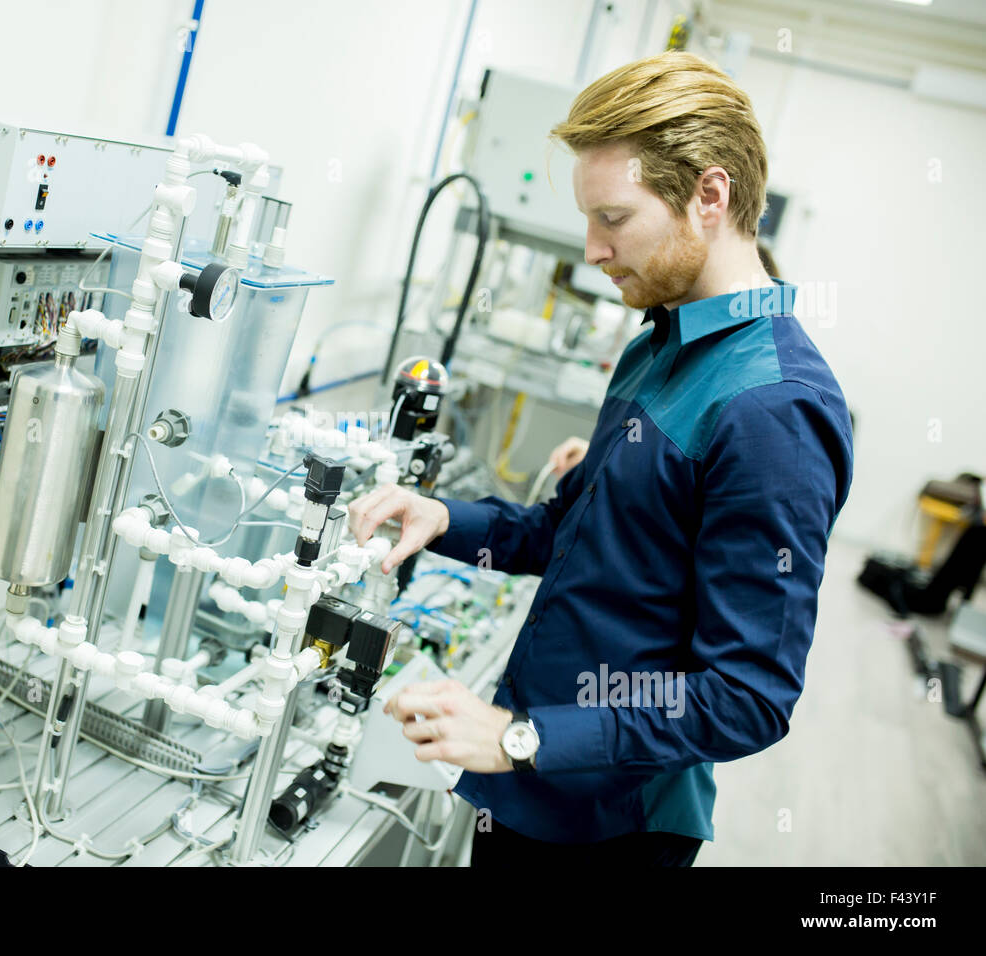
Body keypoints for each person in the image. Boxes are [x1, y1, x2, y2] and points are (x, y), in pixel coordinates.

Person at [347, 50, 853, 868]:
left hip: (611, 825)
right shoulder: (657, 345)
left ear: (710, 196)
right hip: (528, 787)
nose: (592, 249)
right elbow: (572, 535)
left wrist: (521, 737)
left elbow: (747, 697)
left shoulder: (773, 408)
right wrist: (442, 518)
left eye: (613, 218)